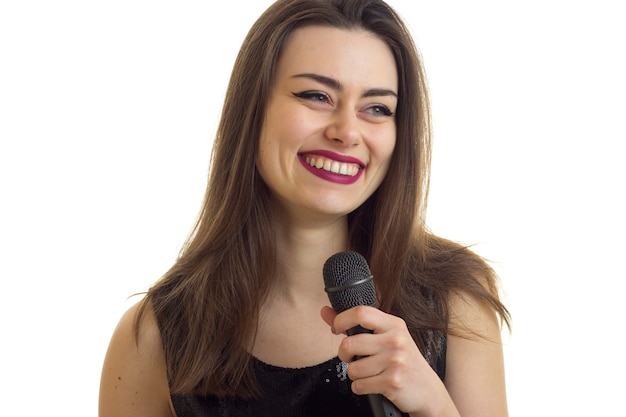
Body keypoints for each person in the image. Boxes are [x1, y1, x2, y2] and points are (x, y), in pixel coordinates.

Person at [99, 0, 511, 416]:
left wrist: (435, 406)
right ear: (253, 109)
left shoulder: (456, 302)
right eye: (317, 96)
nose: (347, 132)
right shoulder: (156, 335)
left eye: (377, 108)